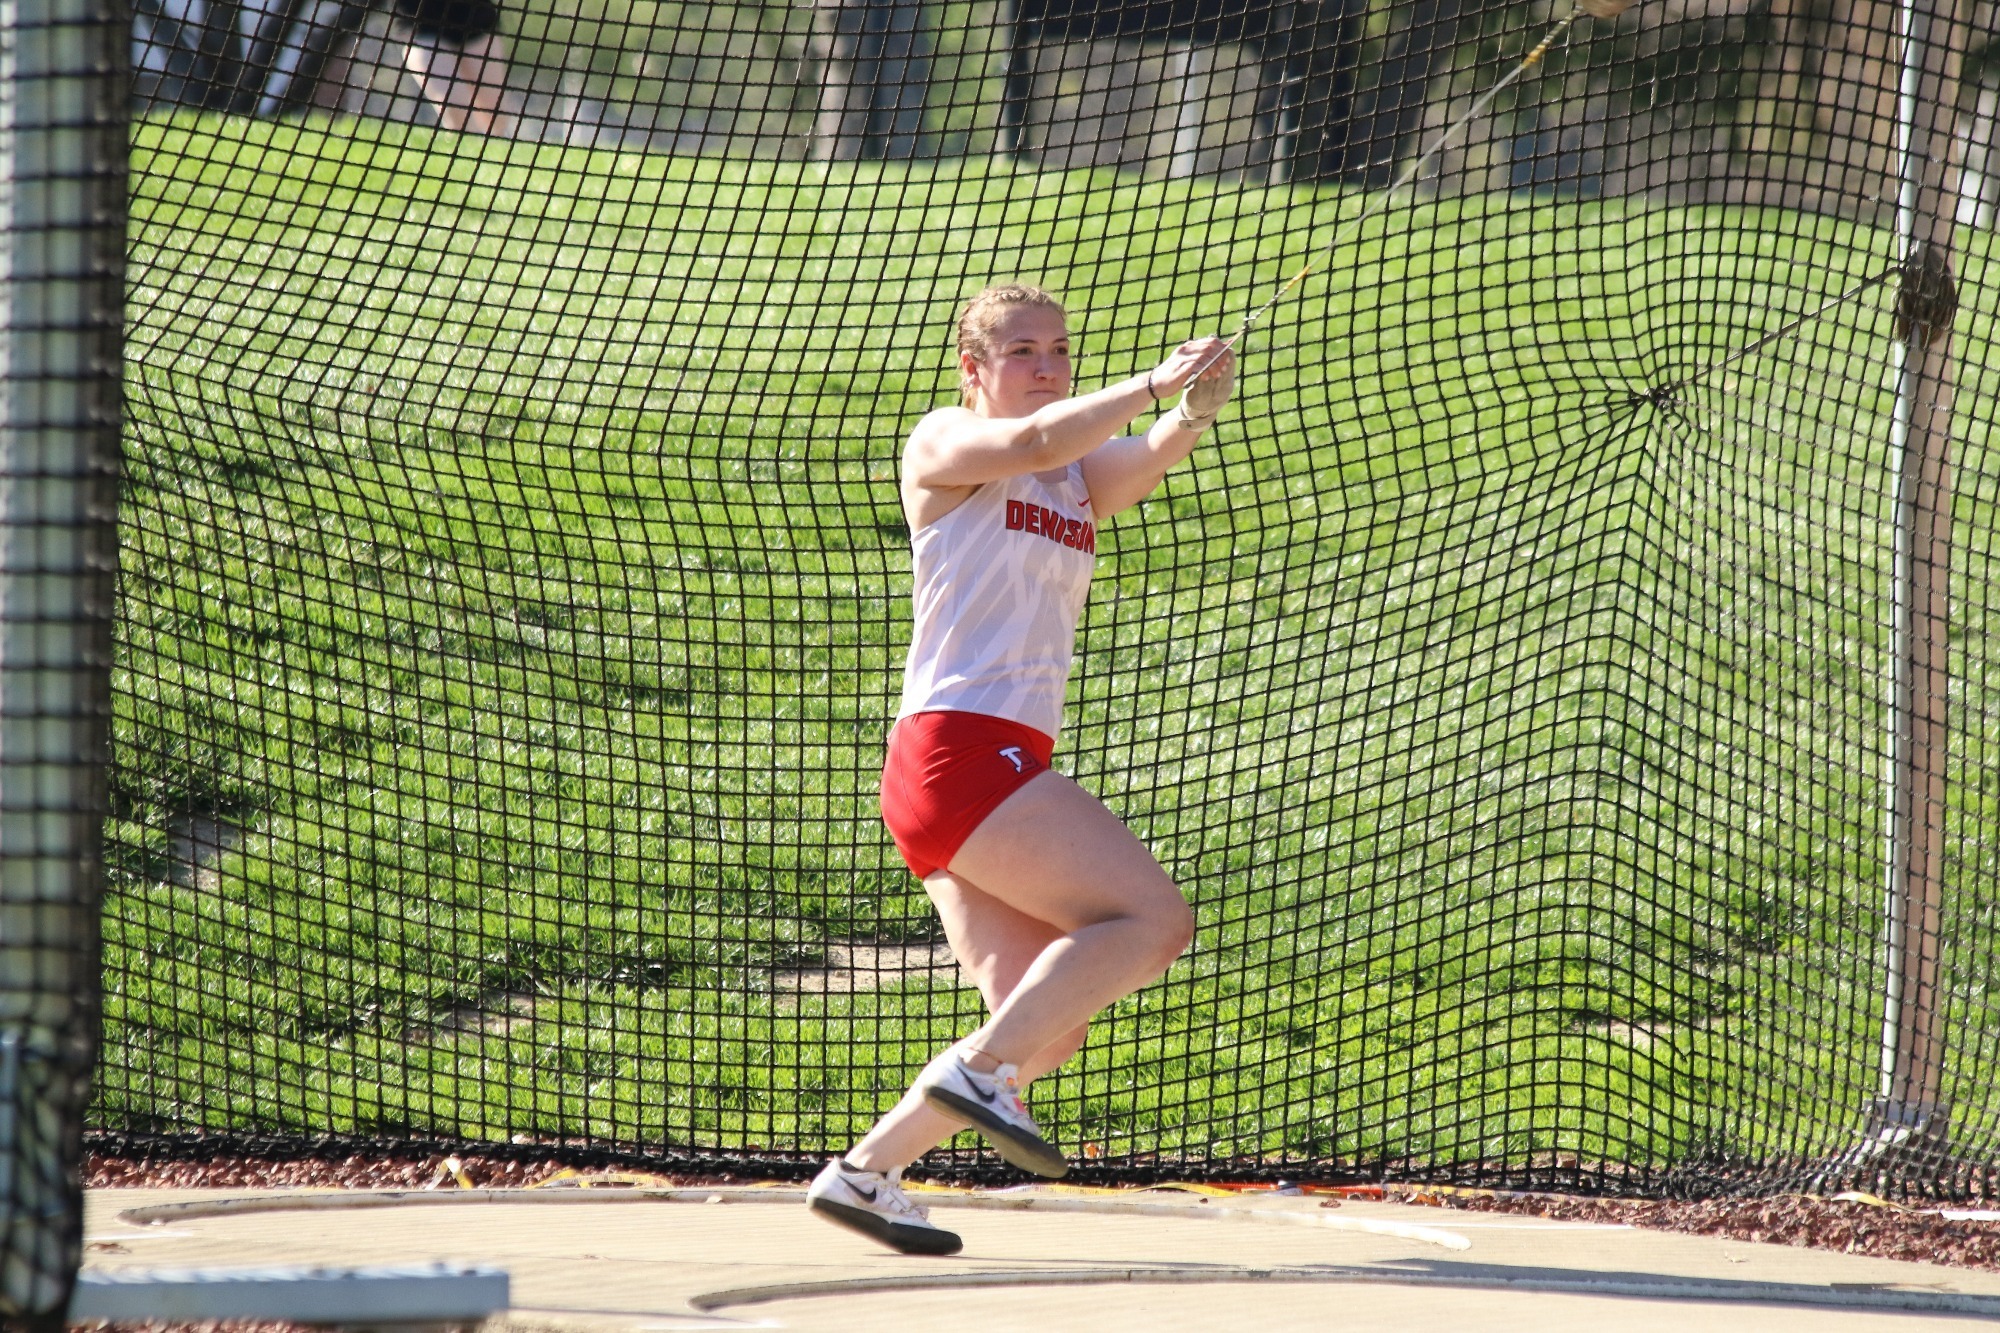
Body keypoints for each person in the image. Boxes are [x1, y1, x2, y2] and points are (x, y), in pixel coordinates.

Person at [805, 284, 1236, 1255]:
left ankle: (864, 1173)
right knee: (1153, 922)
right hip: (957, 748)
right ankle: (978, 1074)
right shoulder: (943, 442)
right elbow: (1037, 443)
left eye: (1057, 350)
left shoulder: (1075, 473)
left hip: (975, 764)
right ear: (974, 369)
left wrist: (1187, 411)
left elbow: (1129, 462)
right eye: (1022, 351)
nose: (1045, 365)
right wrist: (1149, 379)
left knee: (1043, 1030)